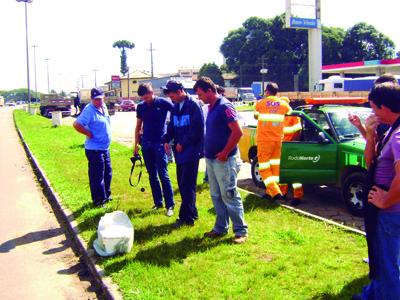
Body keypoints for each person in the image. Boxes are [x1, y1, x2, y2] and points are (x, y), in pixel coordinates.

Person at [353, 83, 400, 300]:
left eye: (374, 108)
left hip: (391, 211)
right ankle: (372, 293)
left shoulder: (398, 135)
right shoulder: (390, 128)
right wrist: (370, 133)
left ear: (385, 108)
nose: (372, 113)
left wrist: (386, 200)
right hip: (385, 210)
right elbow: (370, 160)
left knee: (387, 262)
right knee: (380, 258)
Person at [194, 77, 248, 244]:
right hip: (211, 160)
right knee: (216, 195)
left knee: (229, 195)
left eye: (200, 94)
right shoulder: (210, 107)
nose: (199, 97)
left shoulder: (225, 106)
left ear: (210, 91)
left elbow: (238, 132)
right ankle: (220, 228)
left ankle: (240, 231)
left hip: (224, 160)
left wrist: (224, 152)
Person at [162, 80, 205, 227]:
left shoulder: (193, 105)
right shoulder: (175, 107)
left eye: (171, 94)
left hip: (191, 151)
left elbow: (197, 130)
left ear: (180, 91)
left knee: (187, 184)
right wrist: (166, 139)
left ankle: (186, 218)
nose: (170, 98)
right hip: (180, 153)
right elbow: (172, 127)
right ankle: (192, 213)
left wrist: (183, 143)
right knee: (183, 184)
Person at [134, 83, 175, 216]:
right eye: (143, 98)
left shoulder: (163, 102)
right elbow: (138, 125)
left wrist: (169, 136)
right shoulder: (141, 107)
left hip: (160, 144)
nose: (146, 100)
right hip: (146, 144)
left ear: (152, 93)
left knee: (163, 174)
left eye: (147, 97)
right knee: (152, 175)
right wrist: (136, 144)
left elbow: (176, 114)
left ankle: (170, 205)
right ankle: (158, 202)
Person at [73, 87, 112, 207]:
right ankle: (99, 200)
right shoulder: (89, 110)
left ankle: (106, 195)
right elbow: (76, 124)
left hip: (105, 147)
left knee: (108, 173)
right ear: (91, 99)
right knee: (97, 175)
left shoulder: (103, 107)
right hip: (94, 149)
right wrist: (88, 133)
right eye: (96, 99)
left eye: (100, 99)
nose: (98, 101)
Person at [254, 82, 292, 201]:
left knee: (264, 168)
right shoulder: (283, 104)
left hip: (265, 140)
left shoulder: (261, 103)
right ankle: (270, 193)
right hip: (277, 140)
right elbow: (290, 113)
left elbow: (256, 114)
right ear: (277, 92)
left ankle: (275, 192)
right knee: (274, 168)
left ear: (267, 91)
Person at [280, 96, 303, 206]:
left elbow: (298, 132)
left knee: (294, 173)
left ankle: (297, 196)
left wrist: (292, 145)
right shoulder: (280, 115)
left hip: (291, 146)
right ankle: (283, 193)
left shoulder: (294, 115)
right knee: (283, 171)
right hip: (282, 146)